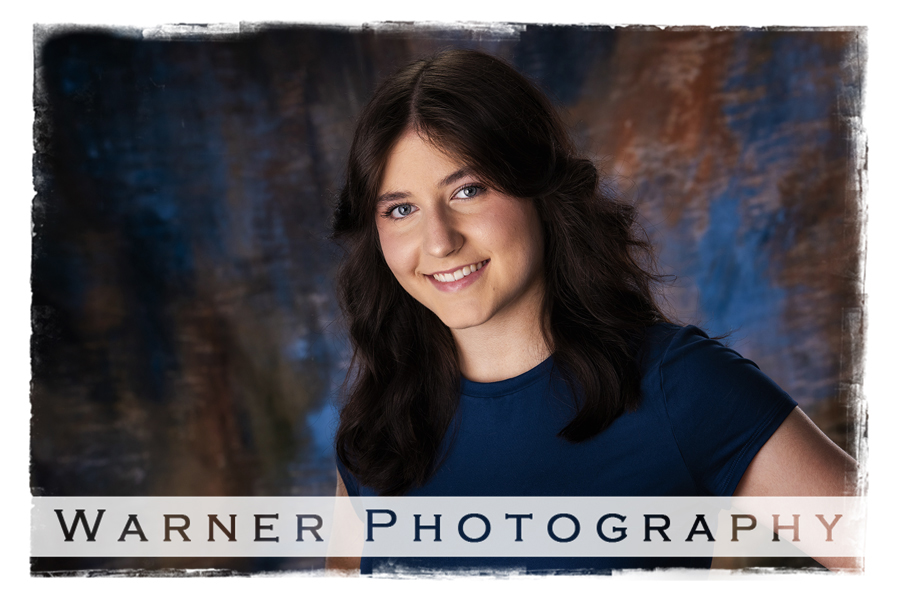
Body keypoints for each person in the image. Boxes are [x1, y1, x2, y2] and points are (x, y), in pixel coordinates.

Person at [327, 48, 859, 575]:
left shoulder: (679, 386)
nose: (439, 241)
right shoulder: (380, 423)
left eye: (469, 190)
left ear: (540, 189)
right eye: (401, 209)